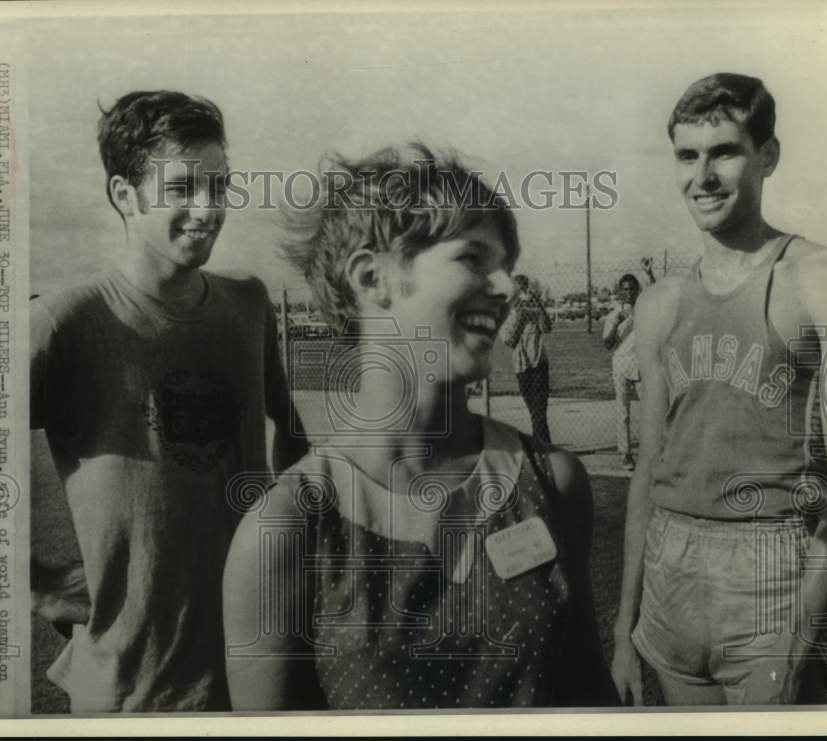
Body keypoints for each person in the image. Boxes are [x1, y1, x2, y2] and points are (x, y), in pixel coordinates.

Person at [223, 144, 618, 710]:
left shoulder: (552, 482)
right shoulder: (288, 527)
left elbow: (588, 698)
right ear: (372, 277)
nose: (508, 288)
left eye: (507, 265)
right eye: (474, 259)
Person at [30, 90, 307, 712]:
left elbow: (291, 436)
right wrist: (38, 587)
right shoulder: (68, 322)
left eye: (220, 186)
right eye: (182, 189)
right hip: (134, 691)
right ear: (124, 196)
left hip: (257, 673)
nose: (208, 209)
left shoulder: (248, 305)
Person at [611, 73, 827, 706]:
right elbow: (648, 472)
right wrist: (622, 624)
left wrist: (804, 634)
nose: (703, 176)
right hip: (670, 569)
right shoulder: (660, 305)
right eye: (687, 156)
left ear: (767, 155)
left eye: (724, 151)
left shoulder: (822, 279)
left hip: (769, 568)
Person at [602, 260, 656, 470]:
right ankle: (625, 453)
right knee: (622, 410)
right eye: (624, 290)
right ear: (620, 293)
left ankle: (651, 450)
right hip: (621, 365)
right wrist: (616, 323)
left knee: (649, 408)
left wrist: (648, 273)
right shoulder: (614, 314)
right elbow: (607, 344)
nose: (629, 293)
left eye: (632, 289)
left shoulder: (644, 307)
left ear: (637, 290)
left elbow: (654, 292)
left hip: (642, 364)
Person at [501, 274, 554, 446]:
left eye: (524, 288)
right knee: (534, 411)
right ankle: (544, 445)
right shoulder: (506, 313)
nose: (522, 292)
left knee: (539, 410)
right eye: (518, 289)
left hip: (539, 362)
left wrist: (538, 304)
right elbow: (510, 341)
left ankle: (543, 448)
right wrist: (519, 316)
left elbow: (547, 328)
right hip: (521, 365)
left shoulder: (535, 308)